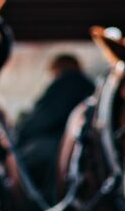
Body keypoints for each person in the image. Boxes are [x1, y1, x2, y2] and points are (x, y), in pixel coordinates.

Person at [15, 53, 95, 203]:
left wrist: (21, 129)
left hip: (56, 145)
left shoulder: (66, 84)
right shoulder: (87, 86)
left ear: (57, 70)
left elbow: (42, 119)